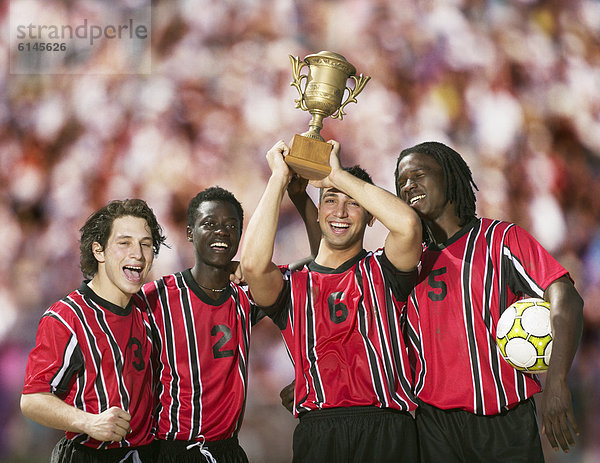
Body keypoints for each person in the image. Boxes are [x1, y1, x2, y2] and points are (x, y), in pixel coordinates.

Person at [394, 141, 584, 462]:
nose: (409, 184)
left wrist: (557, 381)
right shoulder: (404, 264)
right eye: (401, 181)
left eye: (420, 174)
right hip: (433, 427)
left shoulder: (499, 241)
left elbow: (566, 297)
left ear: (451, 177)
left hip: (504, 425)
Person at [241, 140, 423, 462]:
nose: (339, 212)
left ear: (370, 217)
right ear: (319, 210)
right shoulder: (292, 285)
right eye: (330, 201)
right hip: (319, 432)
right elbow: (253, 266)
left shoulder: (385, 269)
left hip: (387, 428)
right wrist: (278, 180)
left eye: (353, 203)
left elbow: (408, 225)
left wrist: (336, 176)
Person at [20, 199, 167, 462]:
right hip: (89, 455)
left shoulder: (151, 309)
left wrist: (232, 271)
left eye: (146, 244)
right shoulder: (67, 317)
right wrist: (89, 422)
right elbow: (32, 399)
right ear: (98, 251)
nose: (138, 253)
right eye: (124, 243)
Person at [140, 186, 263, 463]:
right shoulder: (157, 298)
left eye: (231, 225)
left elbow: (312, 272)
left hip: (229, 450)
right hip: (172, 450)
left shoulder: (246, 295)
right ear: (189, 233)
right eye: (209, 224)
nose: (221, 231)